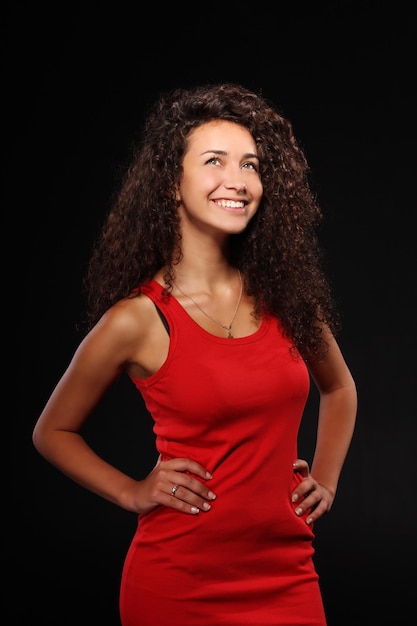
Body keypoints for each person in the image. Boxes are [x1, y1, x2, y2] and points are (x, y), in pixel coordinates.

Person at [33, 82, 357, 626]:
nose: (238, 180)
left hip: (287, 574)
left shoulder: (286, 300)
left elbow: (340, 388)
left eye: (250, 165)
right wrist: (133, 491)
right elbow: (52, 432)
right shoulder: (138, 317)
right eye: (215, 161)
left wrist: (324, 479)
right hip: (178, 583)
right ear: (171, 185)